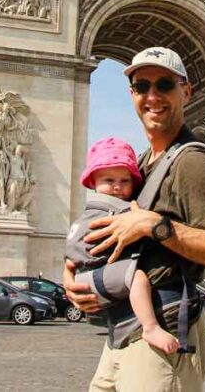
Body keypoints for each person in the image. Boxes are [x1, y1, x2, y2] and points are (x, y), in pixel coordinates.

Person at [63, 47, 205, 392]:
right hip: (122, 329)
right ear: (131, 93)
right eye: (141, 86)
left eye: (164, 84)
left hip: (162, 332)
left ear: (186, 91)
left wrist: (155, 226)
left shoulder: (193, 163)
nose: (152, 96)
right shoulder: (141, 164)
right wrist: (71, 273)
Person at [68, 137, 180, 354]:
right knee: (137, 278)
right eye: (109, 181)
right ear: (93, 182)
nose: (117, 187)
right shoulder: (113, 208)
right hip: (97, 275)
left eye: (125, 181)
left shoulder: (89, 210)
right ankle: (150, 327)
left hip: (90, 276)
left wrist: (70, 267)